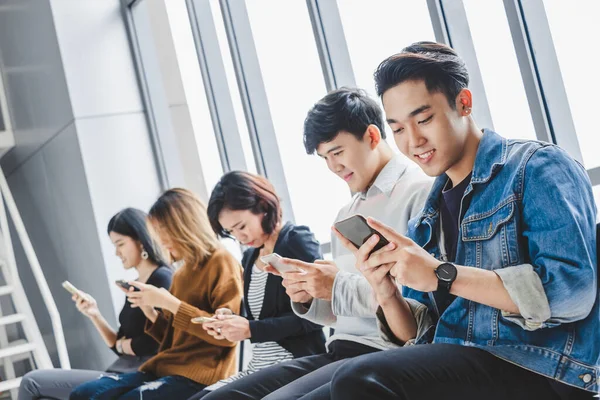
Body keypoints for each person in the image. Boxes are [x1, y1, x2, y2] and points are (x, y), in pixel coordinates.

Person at [329, 41, 598, 400]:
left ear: (464, 103)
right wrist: (386, 291)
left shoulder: (536, 167)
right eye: (398, 129)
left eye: (423, 120)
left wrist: (444, 273)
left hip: (535, 367)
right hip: (460, 362)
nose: (413, 141)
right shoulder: (429, 212)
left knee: (359, 378)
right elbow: (417, 332)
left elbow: (571, 294)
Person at [201, 88, 432, 399]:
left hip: (381, 351)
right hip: (339, 347)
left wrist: (334, 287)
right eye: (325, 157)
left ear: (373, 137)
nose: (333, 167)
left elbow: (419, 304)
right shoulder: (347, 212)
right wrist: (310, 297)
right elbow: (340, 314)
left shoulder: (418, 193)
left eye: (337, 152)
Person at [69, 189, 243, 400]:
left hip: (201, 375)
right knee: (82, 394)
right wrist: (149, 308)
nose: (160, 241)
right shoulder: (182, 274)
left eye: (163, 231)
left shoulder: (222, 262)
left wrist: (170, 303)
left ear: (183, 226)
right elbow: (169, 339)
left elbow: (227, 336)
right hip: (167, 366)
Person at [186, 171, 325, 399]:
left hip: (294, 362)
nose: (240, 237)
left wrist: (250, 329)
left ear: (263, 206)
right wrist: (229, 317)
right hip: (259, 365)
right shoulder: (250, 257)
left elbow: (315, 317)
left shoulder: (295, 241)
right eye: (231, 232)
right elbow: (261, 315)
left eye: (242, 226)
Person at [18, 208, 173, 400]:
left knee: (32, 382)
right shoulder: (134, 285)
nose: (117, 252)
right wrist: (94, 314)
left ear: (141, 240)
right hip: (123, 370)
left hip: (138, 375)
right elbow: (119, 345)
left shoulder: (162, 279)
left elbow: (157, 341)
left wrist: (126, 346)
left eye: (120, 244)